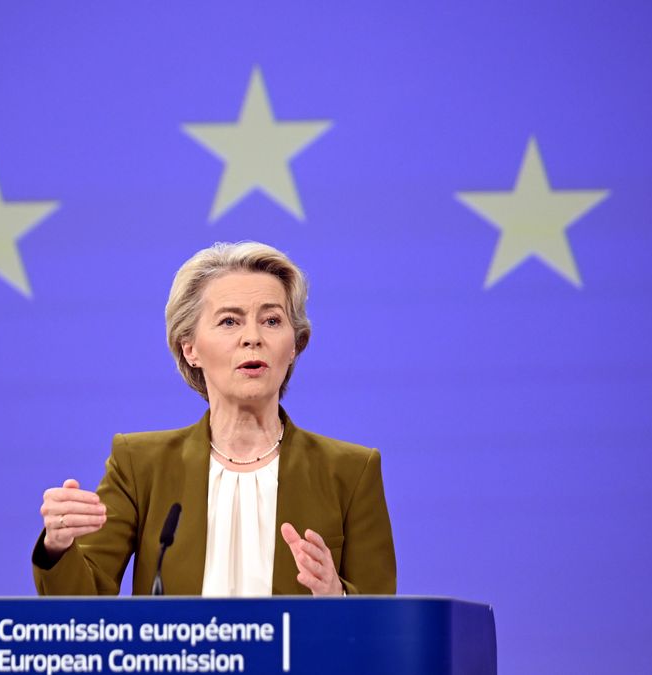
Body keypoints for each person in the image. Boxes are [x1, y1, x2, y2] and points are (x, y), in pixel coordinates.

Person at [33, 242, 395, 596]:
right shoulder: (140, 465)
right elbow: (84, 609)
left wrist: (339, 600)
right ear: (190, 348)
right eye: (229, 321)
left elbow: (383, 629)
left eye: (271, 320)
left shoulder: (350, 472)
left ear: (295, 346)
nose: (252, 337)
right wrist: (58, 545)